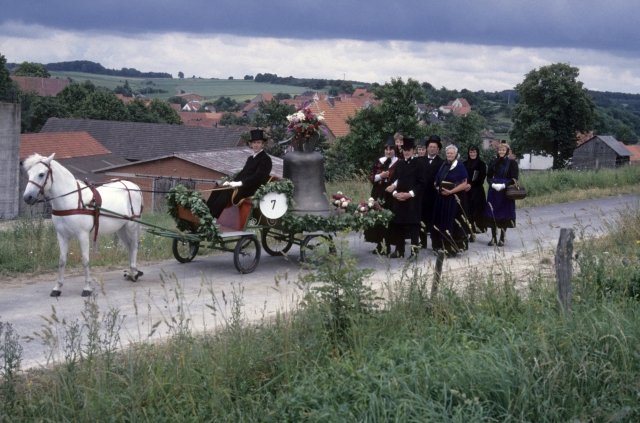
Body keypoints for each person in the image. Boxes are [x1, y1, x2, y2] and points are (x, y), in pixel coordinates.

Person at [206, 129, 272, 218]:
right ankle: (205, 213)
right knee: (218, 188)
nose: (256, 145)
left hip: (252, 190)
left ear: (262, 145)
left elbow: (258, 178)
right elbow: (243, 173)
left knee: (228, 191)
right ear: (251, 144)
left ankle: (213, 215)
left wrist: (240, 183)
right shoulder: (250, 158)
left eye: (258, 142)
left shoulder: (266, 159)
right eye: (254, 142)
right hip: (243, 187)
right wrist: (232, 182)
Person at [385, 137, 426, 259]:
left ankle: (414, 253)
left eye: (409, 150)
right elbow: (393, 182)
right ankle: (399, 251)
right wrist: (395, 194)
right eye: (404, 150)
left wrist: (410, 194)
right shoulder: (400, 164)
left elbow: (422, 183)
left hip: (413, 199)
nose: (406, 152)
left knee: (414, 226)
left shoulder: (419, 164)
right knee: (398, 224)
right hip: (399, 198)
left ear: (413, 150)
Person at [431, 144, 471, 258]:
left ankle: (451, 249)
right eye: (448, 153)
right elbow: (436, 180)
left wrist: (451, 191)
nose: (449, 155)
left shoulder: (460, 166)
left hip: (454, 200)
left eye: (451, 153)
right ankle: (440, 246)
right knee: (441, 222)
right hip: (442, 199)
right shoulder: (444, 164)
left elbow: (464, 183)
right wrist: (438, 188)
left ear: (456, 154)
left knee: (452, 223)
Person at [364, 137, 398, 254]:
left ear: (394, 150)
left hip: (391, 193)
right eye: (386, 149)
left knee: (389, 219)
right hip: (378, 192)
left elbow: (400, 178)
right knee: (378, 217)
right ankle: (379, 245)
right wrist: (381, 176)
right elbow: (372, 177)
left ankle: (388, 246)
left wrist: (393, 185)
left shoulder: (398, 162)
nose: (388, 151)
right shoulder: (379, 161)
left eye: (391, 149)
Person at [482, 141, 519, 246]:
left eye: (503, 150)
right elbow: (488, 176)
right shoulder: (493, 162)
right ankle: (493, 238)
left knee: (504, 213)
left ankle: (502, 238)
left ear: (507, 151)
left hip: (505, 191)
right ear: (497, 151)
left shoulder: (512, 163)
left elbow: (514, 178)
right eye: (500, 150)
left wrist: (504, 185)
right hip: (494, 191)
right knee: (492, 213)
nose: (501, 151)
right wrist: (493, 184)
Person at [416, 135, 444, 249]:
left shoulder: (442, 162)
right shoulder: (419, 161)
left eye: (434, 147)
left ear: (438, 149)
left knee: (434, 220)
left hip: (434, 195)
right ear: (427, 148)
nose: (432, 149)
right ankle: (422, 242)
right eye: (430, 147)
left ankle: (435, 244)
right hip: (421, 195)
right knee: (421, 218)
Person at [463, 144, 487, 242]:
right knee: (465, 211)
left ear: (477, 153)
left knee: (475, 212)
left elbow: (481, 179)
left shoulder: (481, 164)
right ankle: (465, 232)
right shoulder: (464, 163)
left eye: (474, 152)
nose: (472, 154)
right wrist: (465, 185)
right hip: (465, 190)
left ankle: (473, 233)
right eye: (471, 152)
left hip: (477, 191)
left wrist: (471, 185)